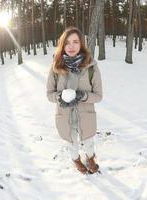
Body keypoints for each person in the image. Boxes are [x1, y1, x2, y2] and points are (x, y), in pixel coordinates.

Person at [46, 27, 103, 174]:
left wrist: (82, 96)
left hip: (86, 115)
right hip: (65, 116)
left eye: (75, 42)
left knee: (89, 141)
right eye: (67, 42)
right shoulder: (55, 67)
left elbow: (98, 96)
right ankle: (76, 159)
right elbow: (49, 94)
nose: (71, 46)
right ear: (62, 45)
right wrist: (60, 97)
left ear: (81, 44)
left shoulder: (91, 67)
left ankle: (90, 158)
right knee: (72, 143)